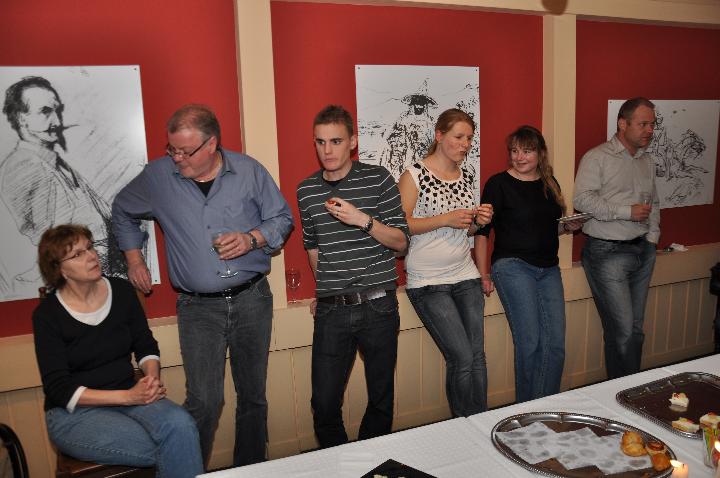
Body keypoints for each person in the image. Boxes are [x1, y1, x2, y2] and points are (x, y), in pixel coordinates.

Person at [112, 104, 293, 466]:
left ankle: (249, 471)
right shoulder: (158, 176)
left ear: (212, 144)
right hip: (198, 308)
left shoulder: (249, 171)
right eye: (172, 149)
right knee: (205, 401)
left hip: (252, 299)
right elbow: (122, 209)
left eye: (185, 151)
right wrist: (134, 259)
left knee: (253, 398)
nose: (177, 158)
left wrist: (252, 239)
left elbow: (282, 218)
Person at [32, 224, 203, 478]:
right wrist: (128, 397)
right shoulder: (47, 315)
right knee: (170, 446)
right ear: (60, 269)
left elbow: (145, 345)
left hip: (130, 394)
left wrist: (151, 381)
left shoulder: (121, 291)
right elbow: (59, 388)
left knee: (182, 426)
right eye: (77, 254)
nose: (91, 256)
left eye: (89, 247)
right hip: (74, 414)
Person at [296, 105, 408, 448]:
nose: (327, 150)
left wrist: (363, 220)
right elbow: (313, 248)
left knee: (381, 400)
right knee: (323, 404)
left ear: (353, 142)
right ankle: (341, 465)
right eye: (320, 142)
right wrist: (325, 291)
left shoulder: (379, 179)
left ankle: (371, 465)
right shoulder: (307, 190)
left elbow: (401, 243)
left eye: (336, 141)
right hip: (332, 310)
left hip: (378, 305)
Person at [476, 125, 583, 403]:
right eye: (514, 151)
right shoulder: (498, 184)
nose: (519, 157)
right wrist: (483, 274)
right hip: (513, 266)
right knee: (530, 342)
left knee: (555, 345)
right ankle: (526, 411)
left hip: (549, 269)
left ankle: (546, 406)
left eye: (527, 151)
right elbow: (482, 232)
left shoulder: (550, 183)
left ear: (540, 153)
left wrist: (567, 226)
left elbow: (548, 228)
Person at [398, 108, 493, 417]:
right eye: (459, 137)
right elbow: (401, 226)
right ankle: (463, 427)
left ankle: (481, 422)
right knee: (462, 358)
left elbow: (466, 230)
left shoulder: (466, 176)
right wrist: (445, 219)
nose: (465, 144)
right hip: (428, 282)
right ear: (439, 135)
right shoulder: (414, 175)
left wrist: (479, 222)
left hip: (465, 274)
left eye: (469, 138)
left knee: (477, 356)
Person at [0, 76, 125, 284]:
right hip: (76, 278)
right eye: (45, 111)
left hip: (100, 270)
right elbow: (41, 238)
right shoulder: (23, 167)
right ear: (21, 118)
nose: (57, 122)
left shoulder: (53, 162)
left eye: (56, 111)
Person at [574, 97, 660, 379]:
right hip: (607, 253)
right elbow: (582, 200)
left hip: (643, 250)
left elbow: (654, 202)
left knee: (633, 331)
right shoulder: (597, 157)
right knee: (624, 332)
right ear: (623, 124)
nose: (649, 130)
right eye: (643, 124)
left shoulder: (647, 160)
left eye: (652, 124)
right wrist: (627, 212)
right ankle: (629, 393)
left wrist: (652, 238)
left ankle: (621, 390)